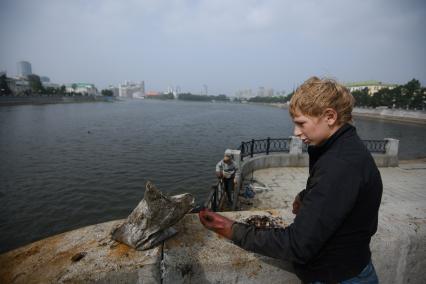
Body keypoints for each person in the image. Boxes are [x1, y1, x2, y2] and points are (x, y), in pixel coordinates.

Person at [199, 77, 382, 284]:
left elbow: (297, 245)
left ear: (330, 116)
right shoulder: (347, 149)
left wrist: (231, 229)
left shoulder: (338, 165)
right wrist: (306, 196)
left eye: (301, 123)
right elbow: (346, 197)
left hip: (338, 276)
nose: (295, 132)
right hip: (351, 266)